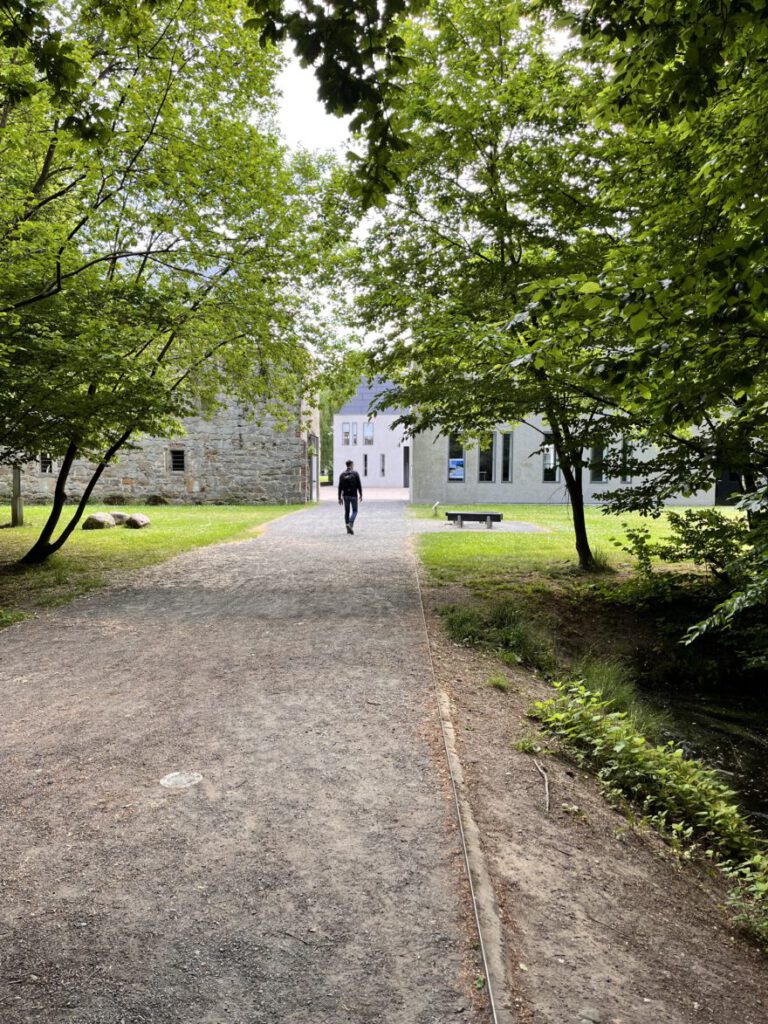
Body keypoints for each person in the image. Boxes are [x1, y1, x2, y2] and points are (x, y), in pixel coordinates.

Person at [338, 459, 363, 534]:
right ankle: (351, 523)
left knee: (347, 512)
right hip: (353, 495)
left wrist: (339, 498)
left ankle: (347, 527)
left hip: (345, 496)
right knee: (355, 511)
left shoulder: (342, 474)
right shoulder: (355, 473)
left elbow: (340, 487)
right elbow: (359, 485)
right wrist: (361, 494)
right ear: (351, 465)